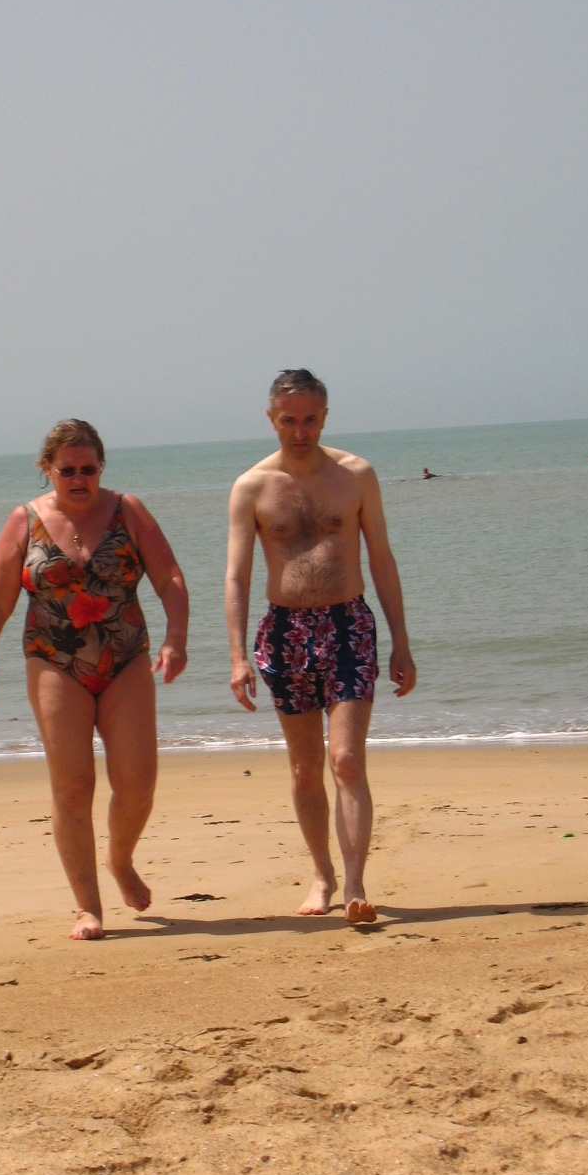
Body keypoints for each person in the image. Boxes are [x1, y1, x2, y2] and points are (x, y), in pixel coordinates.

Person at [0, 419, 188, 940]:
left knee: (137, 786)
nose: (79, 479)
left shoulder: (128, 511)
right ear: (47, 469)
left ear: (101, 466)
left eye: (89, 469)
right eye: (68, 470)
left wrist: (175, 638)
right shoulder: (24, 522)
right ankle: (88, 907)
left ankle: (120, 859)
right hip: (54, 662)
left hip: (126, 659)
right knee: (72, 788)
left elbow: (169, 576)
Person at [225, 370, 416, 924]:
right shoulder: (252, 487)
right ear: (271, 419)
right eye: (289, 420)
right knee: (306, 767)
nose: (300, 431)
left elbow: (382, 559)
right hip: (284, 631)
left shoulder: (356, 476)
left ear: (325, 417)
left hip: (348, 624)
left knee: (346, 759)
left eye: (310, 419)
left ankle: (355, 882)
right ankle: (322, 875)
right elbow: (237, 575)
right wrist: (237, 656)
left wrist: (402, 642)